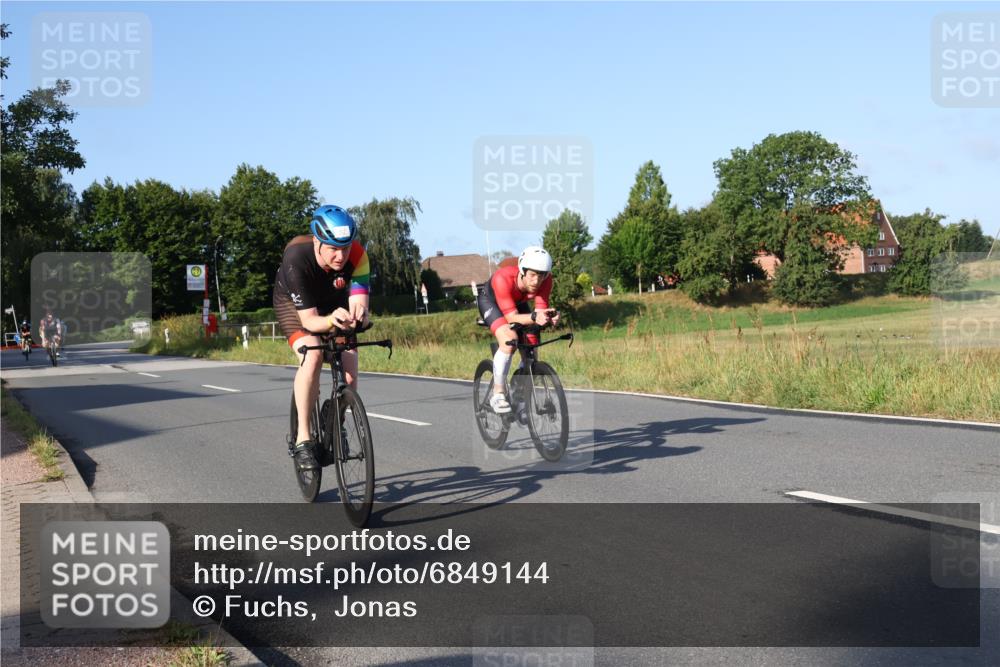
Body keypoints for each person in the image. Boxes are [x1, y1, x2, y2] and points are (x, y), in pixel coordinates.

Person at [273, 205, 370, 471]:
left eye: (346, 248)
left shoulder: (359, 256)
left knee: (350, 370)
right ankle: (303, 439)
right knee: (313, 353)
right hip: (295, 307)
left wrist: (359, 316)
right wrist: (330, 321)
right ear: (317, 242)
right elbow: (309, 321)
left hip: (333, 303)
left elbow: (360, 303)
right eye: (333, 249)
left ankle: (334, 418)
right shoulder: (296, 259)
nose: (341, 256)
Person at [476, 246, 559, 414]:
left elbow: (540, 311)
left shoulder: (546, 280)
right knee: (509, 339)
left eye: (541, 275)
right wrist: (535, 316)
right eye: (532, 275)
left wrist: (550, 316)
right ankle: (498, 393)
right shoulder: (503, 278)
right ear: (522, 270)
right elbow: (512, 317)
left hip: (516, 303)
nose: (537, 281)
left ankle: (519, 395)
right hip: (491, 302)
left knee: (531, 347)